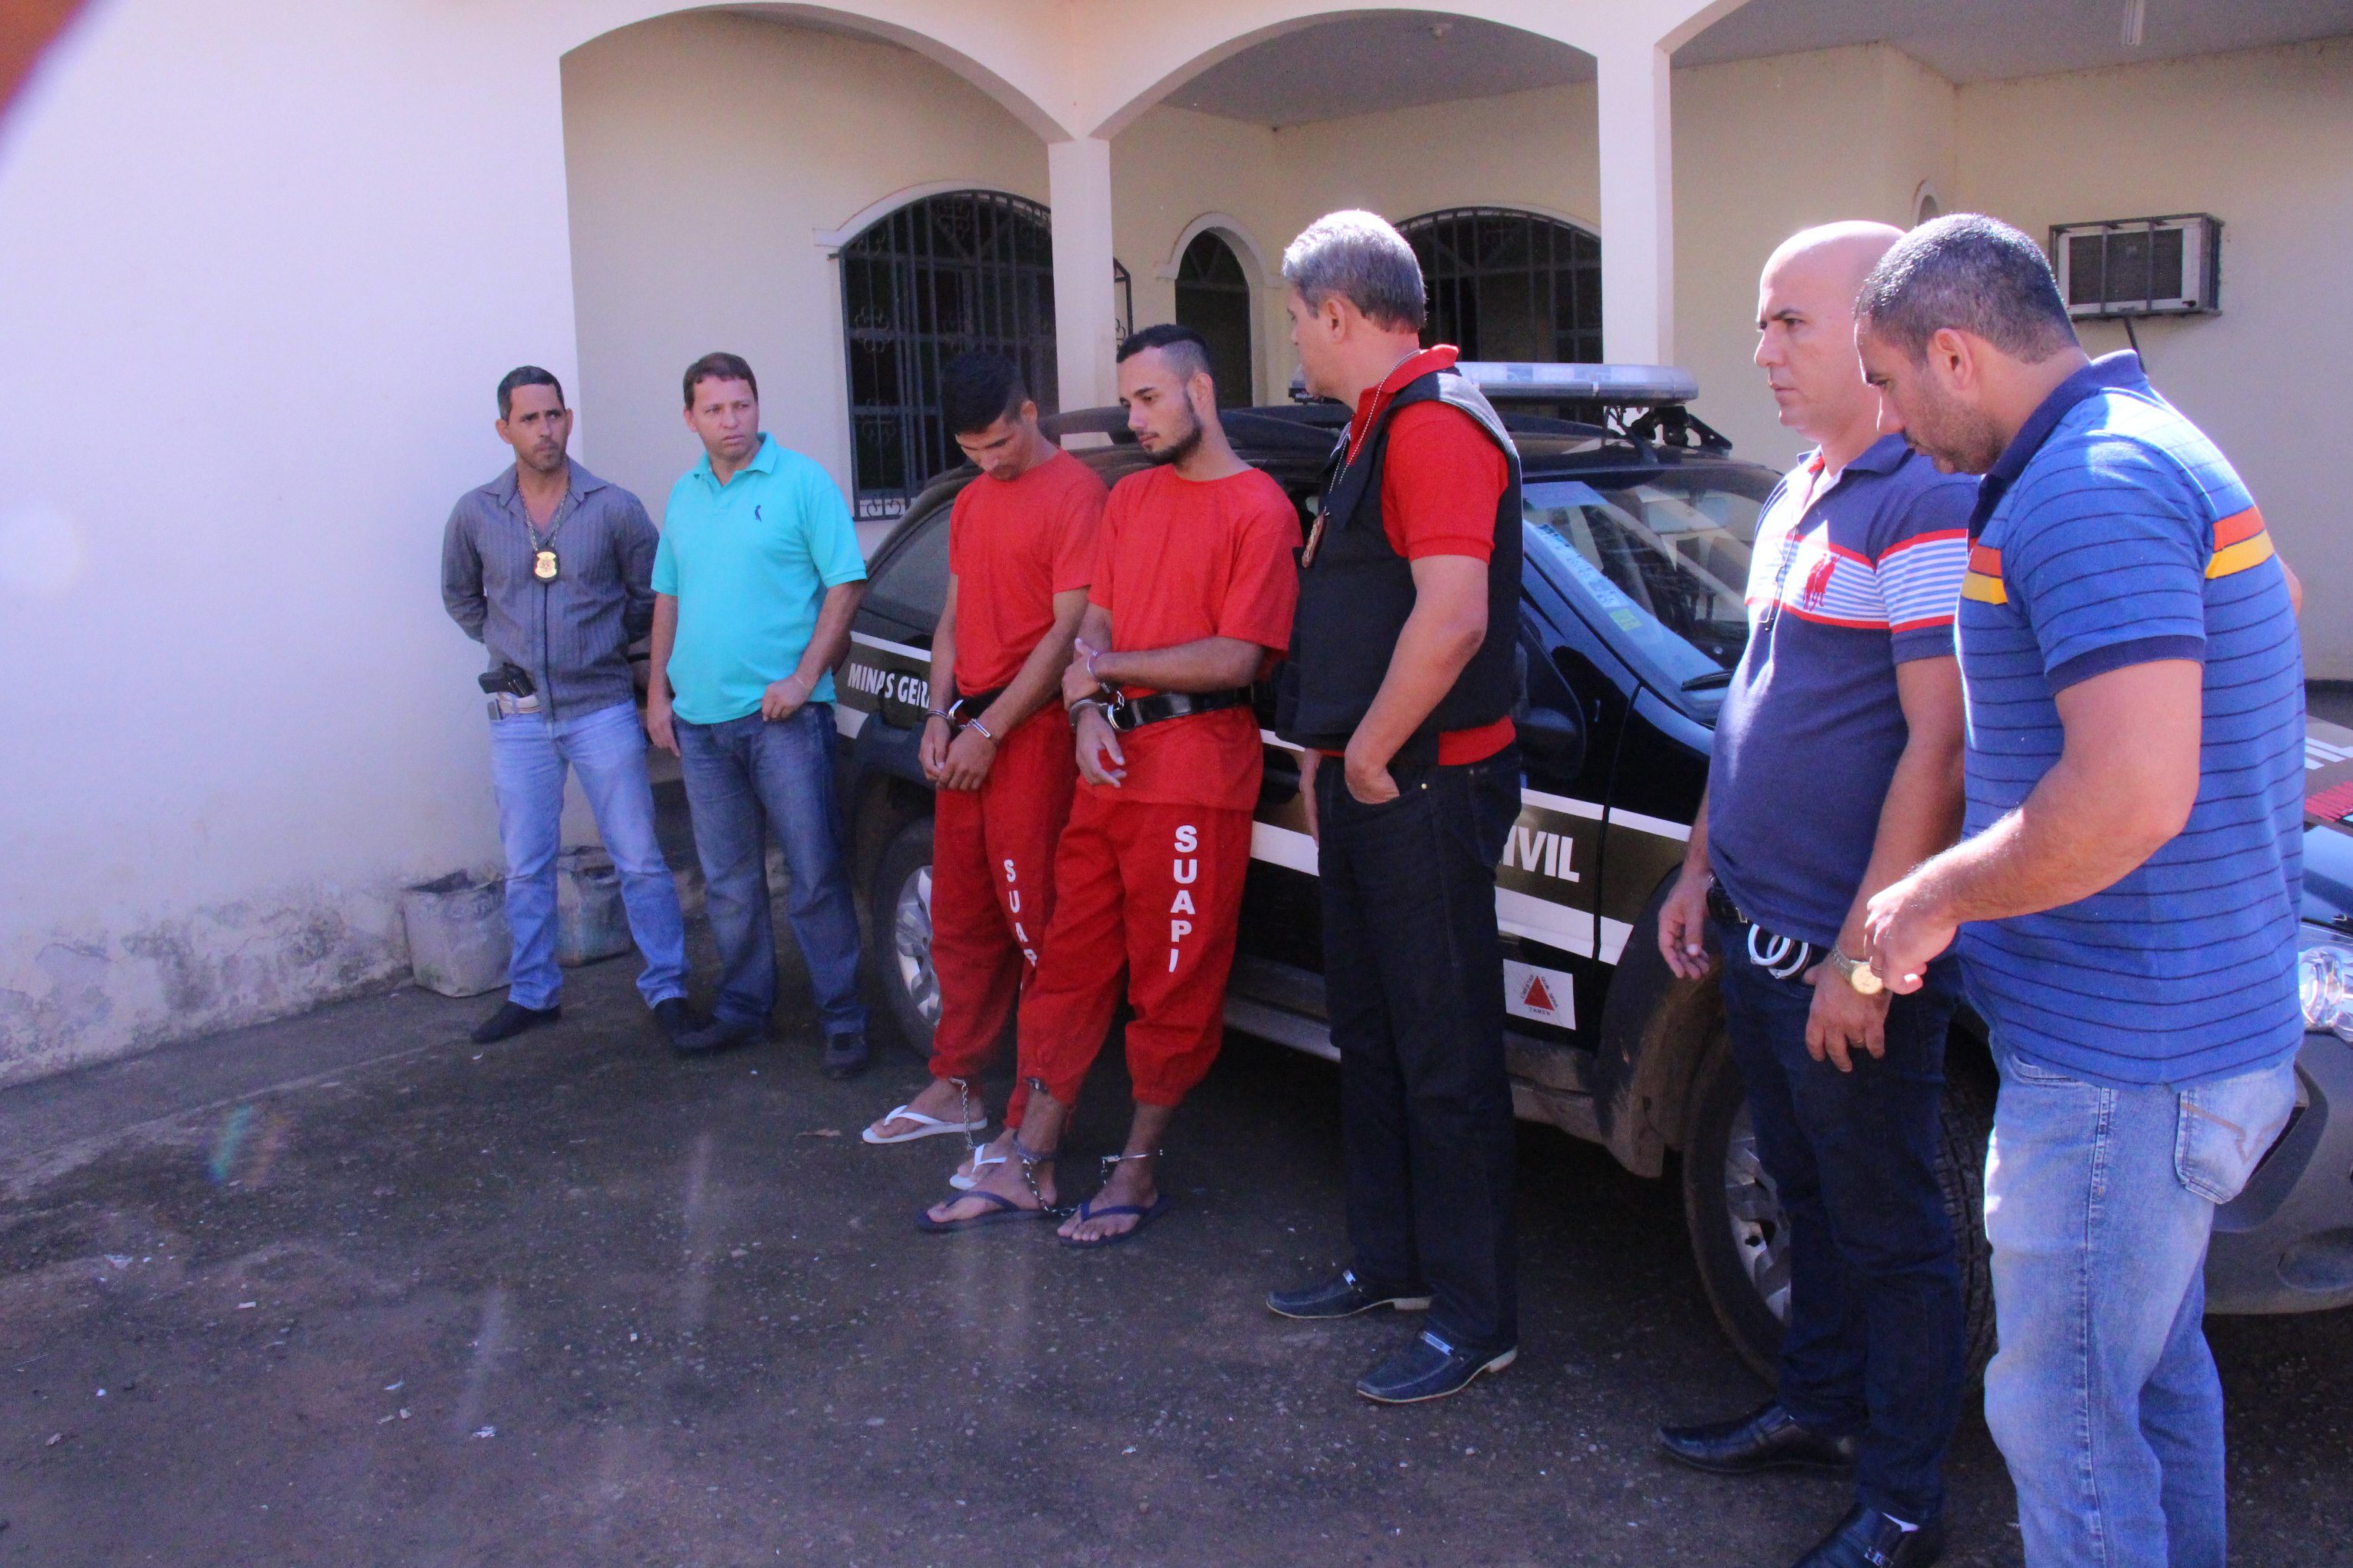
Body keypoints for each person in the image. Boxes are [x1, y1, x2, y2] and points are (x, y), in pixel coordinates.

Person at [1856, 215, 2305, 1568]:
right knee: (2146, 1380)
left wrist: (1931, 894)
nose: (1887, 420)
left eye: (1888, 381)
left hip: (2124, 1061)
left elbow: (2127, 793)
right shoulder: (2141, 442)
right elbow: (2271, 603)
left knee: (2062, 1422)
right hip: (2178, 1036)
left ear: (1954, 351)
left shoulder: (2086, 484)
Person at [1649, 225, 1976, 1568]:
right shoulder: (1799, 490)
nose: (1761, 350)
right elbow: (1755, 695)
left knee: (1889, 1227)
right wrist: (1698, 863)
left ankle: (1901, 1502)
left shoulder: (1922, 497)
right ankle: (1819, 1405)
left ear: (1871, 329)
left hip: (1844, 953)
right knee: (1801, 1188)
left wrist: (1862, 956)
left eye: (1788, 321)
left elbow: (1939, 746)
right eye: (1760, 320)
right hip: (1752, 923)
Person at [921, 325, 1300, 1246]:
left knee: (1173, 984)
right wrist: (1087, 708)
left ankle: (1135, 1169)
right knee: (1068, 966)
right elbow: (1094, 620)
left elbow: (1235, 656)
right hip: (1109, 767)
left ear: (1199, 391)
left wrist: (1104, 671)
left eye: (1147, 399)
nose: (1133, 420)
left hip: (1196, 776)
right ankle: (1030, 1159)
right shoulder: (1129, 497)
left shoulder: (1261, 508)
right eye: (1128, 401)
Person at [1262, 211, 1525, 1405]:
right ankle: (1392, 1265)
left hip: (1423, 785)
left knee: (1442, 1053)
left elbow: (1452, 615)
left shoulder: (1433, 425)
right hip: (1373, 783)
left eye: (1295, 317)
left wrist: (1365, 752)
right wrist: (1336, 758)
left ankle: (1473, 1318)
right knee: (1369, 1035)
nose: (1293, 339)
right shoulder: (1376, 424)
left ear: (1337, 311)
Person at [862, 354, 1105, 1147]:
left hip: (1031, 735)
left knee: (1037, 926)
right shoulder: (970, 501)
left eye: (999, 443)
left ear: (1030, 411)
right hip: (968, 725)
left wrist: (991, 729)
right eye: (971, 450)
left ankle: (1034, 1114)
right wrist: (938, 714)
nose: (989, 461)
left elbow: (1067, 634)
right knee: (958, 917)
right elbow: (952, 620)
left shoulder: (1076, 494)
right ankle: (955, 1083)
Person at [439, 366, 701, 1047]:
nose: (544, 430)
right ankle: (532, 992)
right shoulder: (476, 513)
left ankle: (668, 988)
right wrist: (508, 641)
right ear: (504, 429)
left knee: (638, 856)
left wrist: (603, 645)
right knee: (526, 863)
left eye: (553, 415)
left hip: (600, 705)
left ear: (568, 419)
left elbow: (653, 595)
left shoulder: (612, 507)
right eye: (529, 419)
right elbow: (460, 596)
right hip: (520, 711)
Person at [645, 352, 872, 1076]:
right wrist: (657, 693)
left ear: (756, 405)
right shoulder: (683, 495)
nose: (731, 420)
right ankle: (744, 1008)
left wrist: (805, 678)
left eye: (741, 404)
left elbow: (845, 583)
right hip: (701, 723)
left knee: (813, 873)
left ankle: (842, 1015)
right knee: (728, 880)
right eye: (714, 409)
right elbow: (668, 597)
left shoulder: (801, 481)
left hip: (784, 722)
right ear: (690, 418)